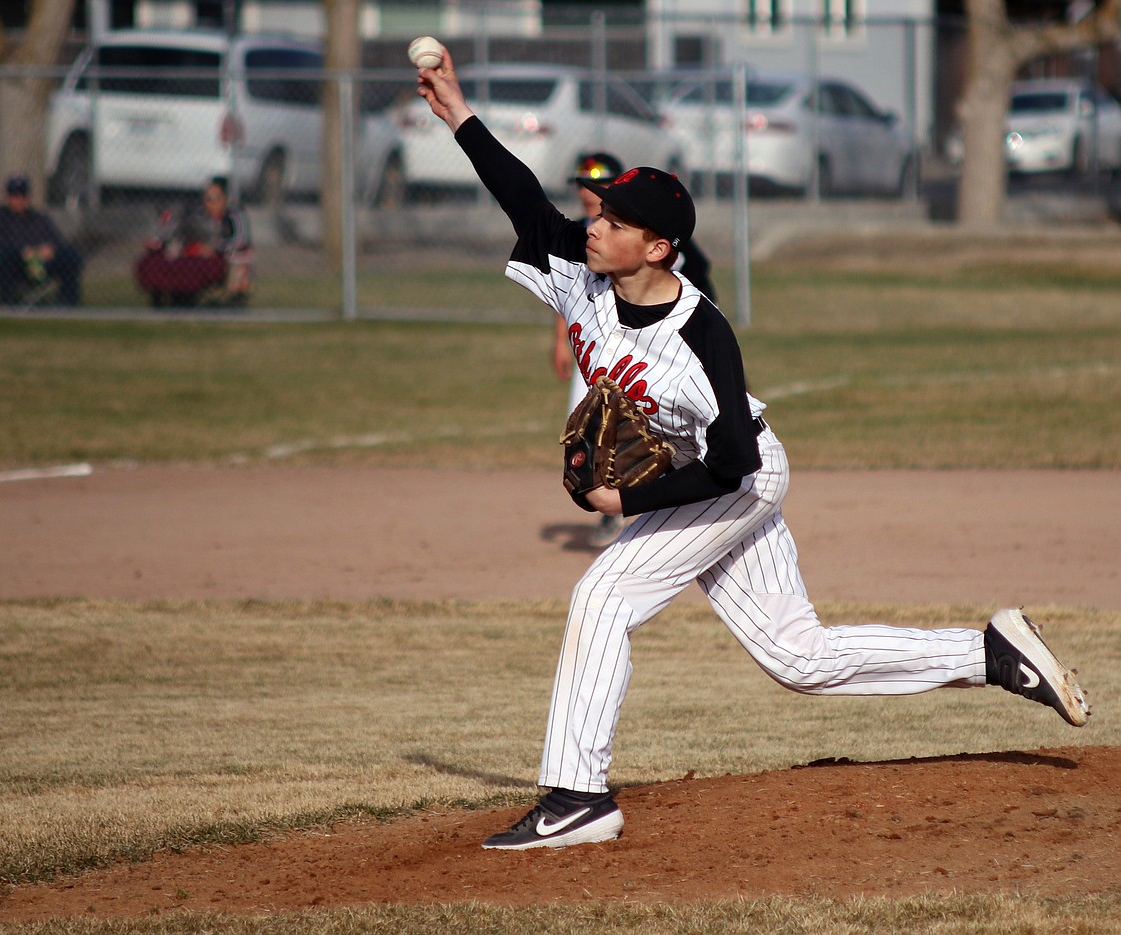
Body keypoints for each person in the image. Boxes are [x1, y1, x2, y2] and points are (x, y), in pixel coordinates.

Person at [415, 45, 1090, 852]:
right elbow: (521, 197)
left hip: (735, 477)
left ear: (658, 247)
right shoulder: (582, 268)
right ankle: (992, 651)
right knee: (797, 656)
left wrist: (625, 501)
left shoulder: (701, 337)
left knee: (602, 596)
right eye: (599, 213)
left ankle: (577, 797)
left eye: (616, 221)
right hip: (703, 477)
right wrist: (458, 111)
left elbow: (732, 460)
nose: (596, 226)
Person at [555, 151, 718, 549]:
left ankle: (647, 503)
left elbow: (697, 298)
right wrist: (560, 340)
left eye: (599, 184)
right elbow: (569, 293)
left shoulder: (652, 236)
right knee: (594, 425)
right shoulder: (583, 233)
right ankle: (616, 510)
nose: (585, 192)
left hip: (656, 352)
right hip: (599, 351)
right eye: (581, 183)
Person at [134, 176, 254, 307]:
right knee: (161, 261)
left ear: (225, 199)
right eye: (207, 198)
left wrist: (215, 248)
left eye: (216, 198)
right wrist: (160, 242)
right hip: (192, 254)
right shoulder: (196, 213)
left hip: (224, 256)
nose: (210, 203)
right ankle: (170, 296)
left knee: (236, 260)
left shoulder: (235, 215)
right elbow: (174, 232)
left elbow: (241, 240)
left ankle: (233, 300)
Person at [0, 174, 83, 307]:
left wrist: (49, 249)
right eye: (15, 196)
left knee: (71, 255)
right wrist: (22, 251)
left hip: (41, 263)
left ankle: (66, 302)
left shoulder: (38, 218)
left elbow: (57, 240)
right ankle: (7, 300)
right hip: (16, 264)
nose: (19, 200)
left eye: (23, 196)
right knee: (5, 255)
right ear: (7, 197)